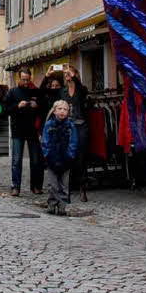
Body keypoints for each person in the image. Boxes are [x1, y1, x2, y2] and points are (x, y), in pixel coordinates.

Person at [3, 69, 44, 196]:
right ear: (18, 78)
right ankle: (15, 187)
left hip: (33, 130)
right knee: (16, 160)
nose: (26, 82)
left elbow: (43, 108)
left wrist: (36, 106)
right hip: (17, 130)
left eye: (28, 79)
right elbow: (4, 110)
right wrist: (17, 106)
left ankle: (36, 186)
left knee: (36, 160)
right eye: (23, 79)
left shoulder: (36, 91)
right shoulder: (12, 92)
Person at [41, 100, 79, 215]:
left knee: (64, 184)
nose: (62, 111)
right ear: (54, 111)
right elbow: (45, 141)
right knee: (52, 184)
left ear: (68, 112)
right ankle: (52, 204)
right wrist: (47, 154)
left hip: (65, 159)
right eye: (60, 109)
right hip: (52, 158)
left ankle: (62, 205)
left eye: (65, 109)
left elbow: (74, 141)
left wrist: (70, 155)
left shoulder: (70, 125)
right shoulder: (49, 125)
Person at [60, 65, 91, 202]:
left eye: (69, 74)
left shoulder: (81, 90)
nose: (67, 76)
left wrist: (73, 76)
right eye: (65, 74)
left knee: (81, 158)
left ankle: (82, 189)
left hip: (80, 126)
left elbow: (81, 91)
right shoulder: (63, 91)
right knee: (67, 157)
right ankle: (67, 189)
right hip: (67, 127)